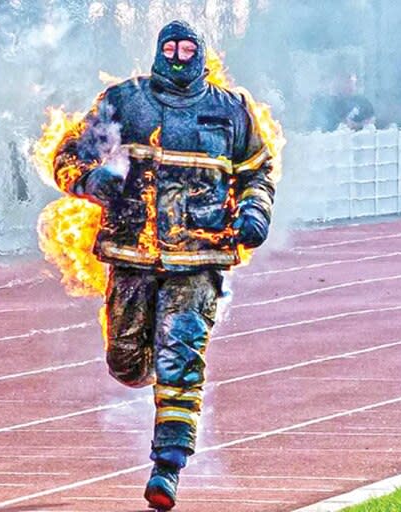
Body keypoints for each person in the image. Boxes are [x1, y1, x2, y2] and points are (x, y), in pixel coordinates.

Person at [53, 20, 276, 510]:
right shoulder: (125, 101)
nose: (178, 56)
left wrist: (254, 212)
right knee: (127, 363)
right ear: (158, 51)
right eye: (170, 47)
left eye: (186, 47)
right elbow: (67, 156)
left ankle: (167, 467)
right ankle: (153, 366)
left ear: (201, 53)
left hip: (198, 259)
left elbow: (258, 171)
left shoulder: (231, 110)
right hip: (131, 256)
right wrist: (93, 181)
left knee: (181, 359)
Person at [308, 71, 375, 132]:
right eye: (346, 82)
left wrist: (358, 125)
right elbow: (318, 126)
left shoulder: (362, 101)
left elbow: (372, 121)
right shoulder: (322, 104)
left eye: (351, 82)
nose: (349, 85)